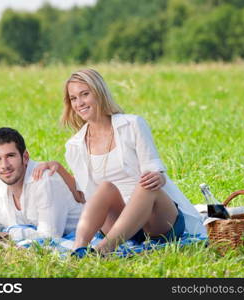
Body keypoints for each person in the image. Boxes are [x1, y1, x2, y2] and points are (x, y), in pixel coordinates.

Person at [33, 69, 206, 256]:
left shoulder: (132, 125)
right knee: (106, 187)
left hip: (156, 220)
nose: (79, 103)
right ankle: (79, 249)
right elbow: (83, 197)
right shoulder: (74, 146)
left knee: (146, 184)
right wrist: (59, 169)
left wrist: (159, 178)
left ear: (99, 93)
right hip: (117, 224)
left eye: (85, 94)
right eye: (73, 98)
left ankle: (102, 250)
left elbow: (156, 172)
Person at [0, 127, 83, 240]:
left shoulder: (45, 180)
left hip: (79, 235)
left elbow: (49, 237)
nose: (4, 165)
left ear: (25, 157)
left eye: (10, 156)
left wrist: (11, 235)